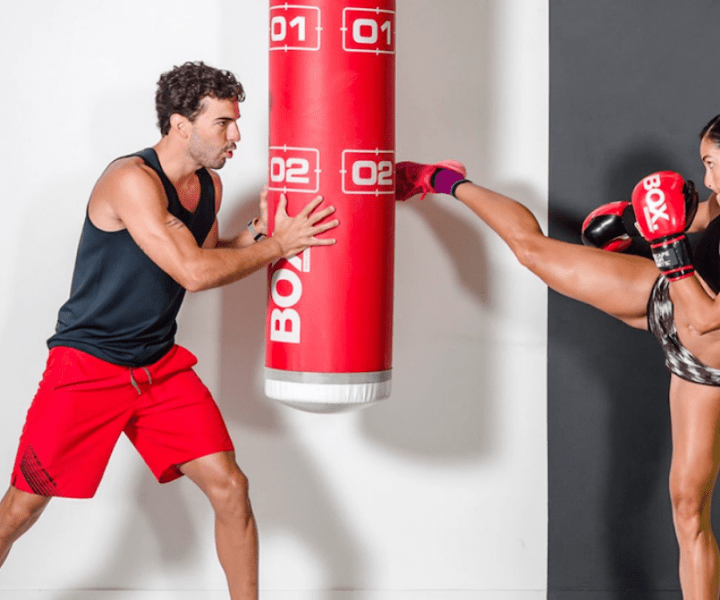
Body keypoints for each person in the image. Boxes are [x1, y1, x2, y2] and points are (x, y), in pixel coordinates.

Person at [0, 61, 338, 600]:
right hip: (87, 366)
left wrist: (255, 233)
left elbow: (202, 254)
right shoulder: (130, 181)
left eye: (236, 121)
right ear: (182, 125)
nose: (237, 135)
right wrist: (280, 246)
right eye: (223, 123)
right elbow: (194, 275)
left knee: (230, 488)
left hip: (158, 368)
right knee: (21, 508)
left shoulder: (208, 185)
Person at [396, 114, 720, 600]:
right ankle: (442, 178)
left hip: (705, 366)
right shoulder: (719, 201)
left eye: (714, 164)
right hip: (665, 308)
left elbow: (710, 317)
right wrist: (636, 223)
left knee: (688, 510)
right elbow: (688, 222)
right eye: (705, 165)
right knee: (533, 252)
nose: (709, 179)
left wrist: (668, 245)